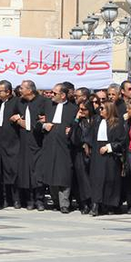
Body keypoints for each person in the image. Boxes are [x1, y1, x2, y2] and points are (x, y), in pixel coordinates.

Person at [37, 83, 77, 213]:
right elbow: (37, 121)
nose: (51, 95)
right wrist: (43, 126)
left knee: (64, 174)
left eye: (55, 93)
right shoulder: (48, 105)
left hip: (64, 146)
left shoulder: (73, 108)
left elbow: (76, 126)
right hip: (49, 144)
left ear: (63, 95)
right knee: (50, 173)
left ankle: (64, 203)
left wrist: (72, 130)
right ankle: (56, 201)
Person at [12, 80, 47, 210]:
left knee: (38, 171)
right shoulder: (19, 102)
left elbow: (43, 119)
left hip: (38, 141)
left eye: (22, 88)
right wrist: (17, 119)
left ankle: (40, 199)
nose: (20, 90)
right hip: (24, 141)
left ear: (30, 90)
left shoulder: (43, 101)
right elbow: (14, 115)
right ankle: (29, 200)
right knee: (25, 171)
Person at [87, 100, 126, 216]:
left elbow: (121, 141)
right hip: (97, 153)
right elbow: (90, 136)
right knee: (97, 179)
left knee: (110, 179)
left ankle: (109, 205)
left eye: (103, 108)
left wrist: (109, 147)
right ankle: (95, 204)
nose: (100, 110)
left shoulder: (117, 123)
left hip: (110, 155)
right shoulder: (97, 121)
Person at [0, 80, 21, 208]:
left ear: (8, 92)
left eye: (0, 91)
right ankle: (5, 198)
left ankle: (16, 199)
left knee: (13, 170)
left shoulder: (16, 102)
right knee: (2, 170)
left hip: (13, 142)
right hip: (0, 142)